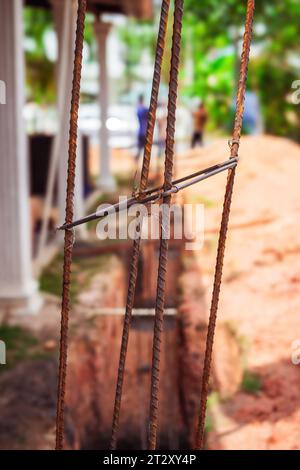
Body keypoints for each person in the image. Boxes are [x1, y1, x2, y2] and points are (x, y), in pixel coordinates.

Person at [135, 94, 149, 161]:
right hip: (145, 132)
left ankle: (137, 162)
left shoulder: (138, 108)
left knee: (140, 149)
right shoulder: (142, 108)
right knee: (146, 150)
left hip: (141, 131)